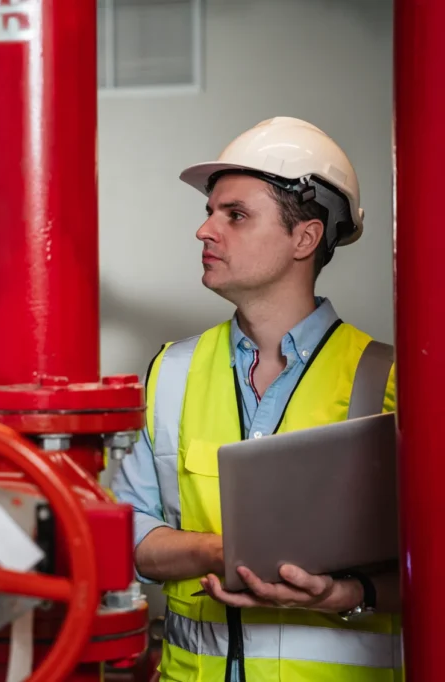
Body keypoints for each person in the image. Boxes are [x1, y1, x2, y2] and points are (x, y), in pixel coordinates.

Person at [109, 117, 403, 681]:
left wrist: (345, 592)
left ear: (305, 238)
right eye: (209, 212)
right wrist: (220, 551)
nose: (205, 231)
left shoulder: (388, 381)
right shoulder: (170, 371)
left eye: (235, 215)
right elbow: (126, 533)